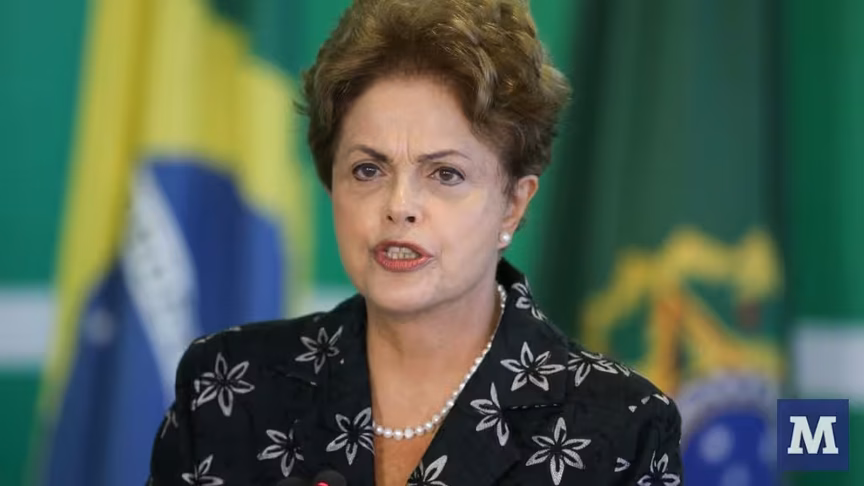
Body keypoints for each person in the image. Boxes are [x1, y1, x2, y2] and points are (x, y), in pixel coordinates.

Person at [148, 0, 683, 484]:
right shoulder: (228, 387)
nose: (399, 204)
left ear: (514, 204)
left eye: (445, 174)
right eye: (368, 169)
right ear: (331, 184)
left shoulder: (620, 427)